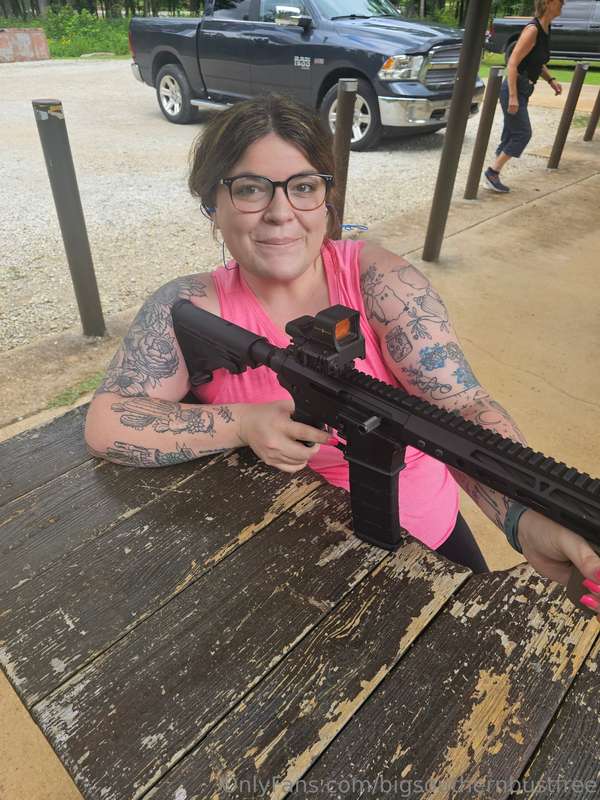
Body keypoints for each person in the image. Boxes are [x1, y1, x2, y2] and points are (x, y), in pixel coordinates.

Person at [85, 94, 600, 619]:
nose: (281, 213)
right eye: (250, 189)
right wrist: (242, 423)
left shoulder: (383, 283)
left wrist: (527, 516)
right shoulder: (187, 305)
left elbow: (461, 413)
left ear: (327, 200)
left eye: (304, 187)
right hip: (272, 549)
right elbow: (107, 423)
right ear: (212, 205)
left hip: (424, 541)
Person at [485, 0, 564, 193]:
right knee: (522, 133)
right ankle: (492, 172)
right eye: (560, 1)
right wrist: (513, 97)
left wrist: (551, 80)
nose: (563, 4)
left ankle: (493, 170)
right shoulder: (532, 30)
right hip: (514, 89)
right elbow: (512, 63)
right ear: (548, 3)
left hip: (524, 89)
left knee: (511, 132)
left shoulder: (546, 28)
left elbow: (537, 61)